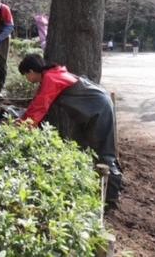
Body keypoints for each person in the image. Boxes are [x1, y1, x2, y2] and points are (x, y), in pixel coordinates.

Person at [18, 54, 122, 205]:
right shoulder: (52, 75)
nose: (27, 79)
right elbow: (37, 105)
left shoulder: (51, 79)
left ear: (31, 71)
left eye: (26, 75)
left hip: (99, 109)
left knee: (104, 150)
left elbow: (39, 108)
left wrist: (19, 128)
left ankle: (111, 196)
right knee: (79, 147)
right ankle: (89, 186)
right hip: (90, 111)